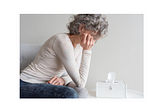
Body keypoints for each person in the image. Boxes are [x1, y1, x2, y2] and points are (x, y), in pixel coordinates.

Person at [20, 14, 108, 98]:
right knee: (70, 94)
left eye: (96, 39)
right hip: (25, 84)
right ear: (81, 28)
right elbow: (81, 83)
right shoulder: (62, 41)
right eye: (94, 36)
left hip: (45, 84)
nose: (93, 42)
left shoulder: (79, 46)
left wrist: (63, 80)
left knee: (75, 92)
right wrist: (87, 50)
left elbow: (77, 76)